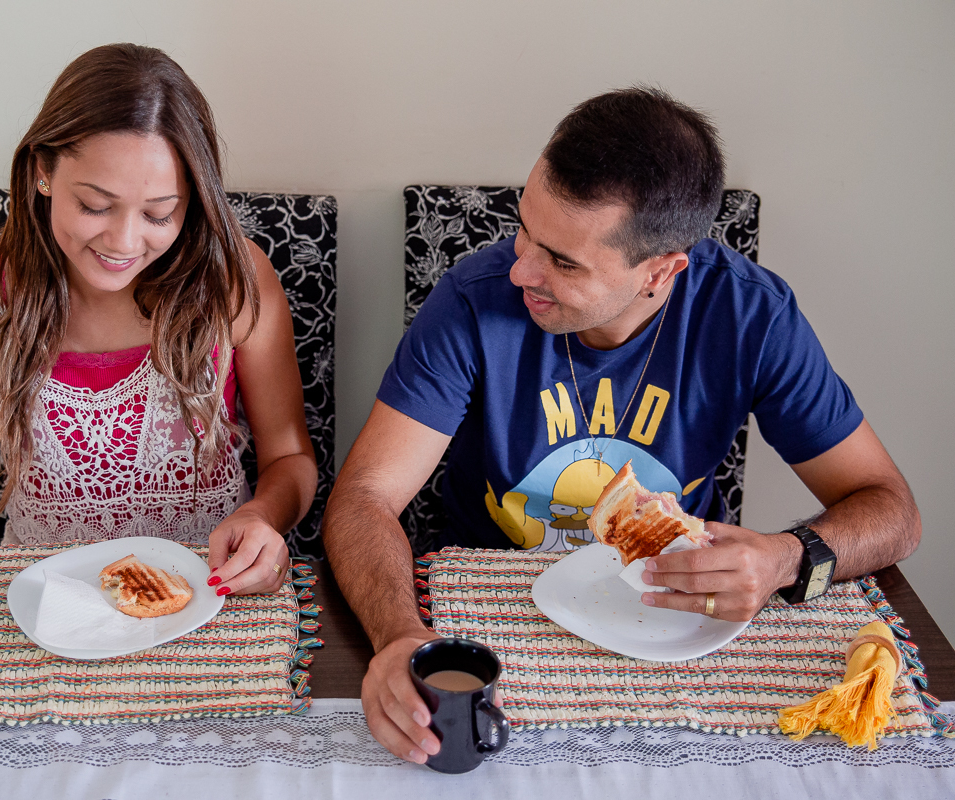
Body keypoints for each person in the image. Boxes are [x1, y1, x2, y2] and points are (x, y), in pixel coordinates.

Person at [322, 87, 921, 763]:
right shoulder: (473, 299)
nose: (520, 268)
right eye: (526, 229)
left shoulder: (750, 316)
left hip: (675, 631)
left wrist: (785, 556)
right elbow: (364, 498)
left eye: (564, 261)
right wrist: (402, 635)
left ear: (661, 273)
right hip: (491, 626)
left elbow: (892, 511)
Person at [0, 44, 317, 598]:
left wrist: (263, 516)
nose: (123, 241)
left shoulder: (234, 280)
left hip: (206, 595)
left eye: (160, 213)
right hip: (44, 601)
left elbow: (291, 458)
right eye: (95, 205)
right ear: (43, 171)